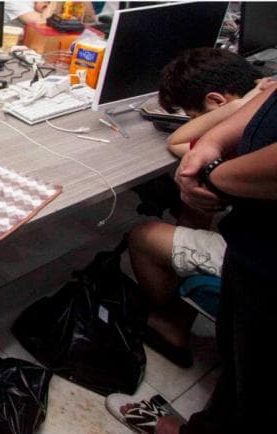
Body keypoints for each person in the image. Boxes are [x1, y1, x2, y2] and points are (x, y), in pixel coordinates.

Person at [122, 80, 277, 434]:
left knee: (258, 385)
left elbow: (180, 142)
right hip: (249, 244)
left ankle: (168, 325)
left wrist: (212, 174)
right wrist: (213, 145)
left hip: (267, 263)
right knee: (240, 372)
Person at [126, 48, 268, 370]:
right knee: (194, 211)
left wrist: (239, 108)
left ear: (217, 101)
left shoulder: (250, 130)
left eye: (194, 116)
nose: (195, 123)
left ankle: (168, 324)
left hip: (262, 258)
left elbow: (178, 141)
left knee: (143, 236)